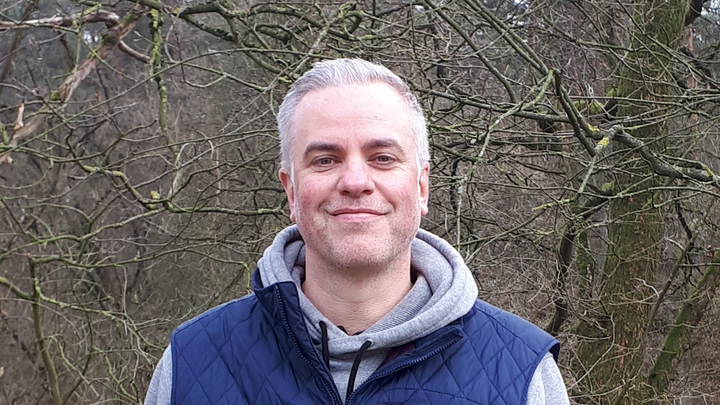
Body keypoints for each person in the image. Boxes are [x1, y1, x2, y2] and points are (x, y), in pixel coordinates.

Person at [144, 58, 570, 405]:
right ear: (291, 191)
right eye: (325, 160)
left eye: (382, 157)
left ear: (421, 187)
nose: (354, 181)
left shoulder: (522, 374)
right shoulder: (190, 364)